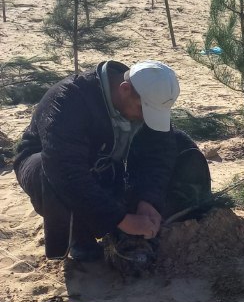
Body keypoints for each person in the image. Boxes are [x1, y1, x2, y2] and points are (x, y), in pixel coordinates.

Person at [13, 59, 210, 263]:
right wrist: (121, 219)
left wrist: (148, 201)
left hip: (106, 166)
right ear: (124, 89)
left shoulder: (146, 98)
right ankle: (80, 238)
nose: (145, 118)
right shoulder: (68, 99)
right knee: (50, 171)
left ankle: (127, 221)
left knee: (177, 142)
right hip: (48, 166)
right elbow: (66, 171)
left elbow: (159, 153)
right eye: (143, 110)